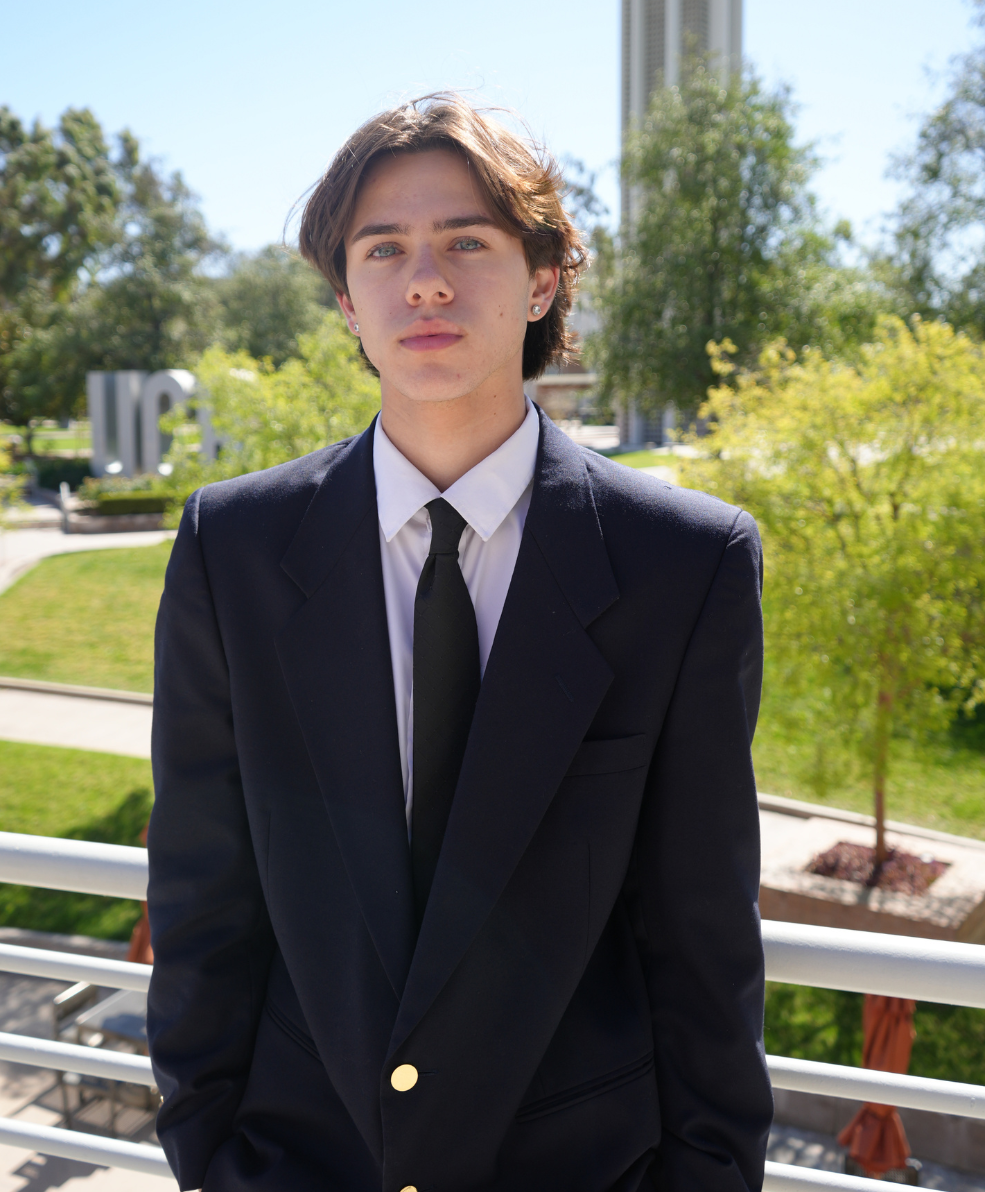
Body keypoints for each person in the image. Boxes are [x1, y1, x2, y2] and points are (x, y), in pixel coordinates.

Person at [146, 94, 772, 1192]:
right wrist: (205, 1146)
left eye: (466, 242)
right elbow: (204, 888)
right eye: (384, 249)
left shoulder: (685, 562)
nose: (424, 280)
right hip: (295, 1164)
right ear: (347, 299)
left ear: (542, 280)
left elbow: (702, 930)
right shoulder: (230, 546)